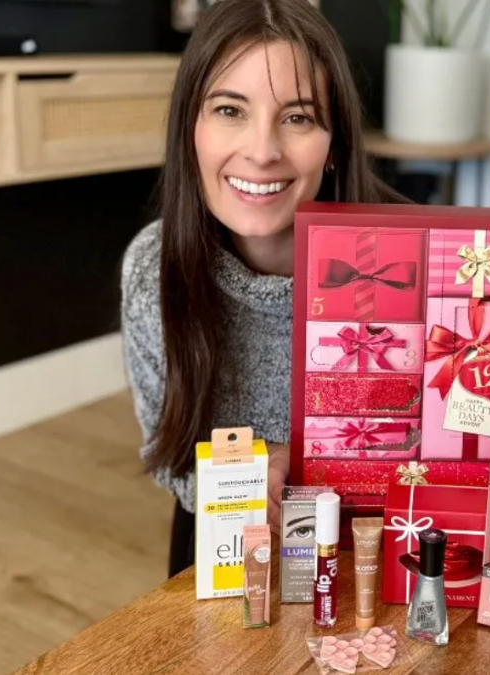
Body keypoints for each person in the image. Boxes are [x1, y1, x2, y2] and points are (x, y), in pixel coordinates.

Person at [120, 0, 407, 577]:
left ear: (334, 146)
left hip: (377, 551)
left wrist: (301, 466)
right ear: (191, 130)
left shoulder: (408, 264)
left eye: (298, 118)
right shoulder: (154, 267)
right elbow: (168, 454)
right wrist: (245, 482)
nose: (261, 150)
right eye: (230, 109)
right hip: (223, 544)